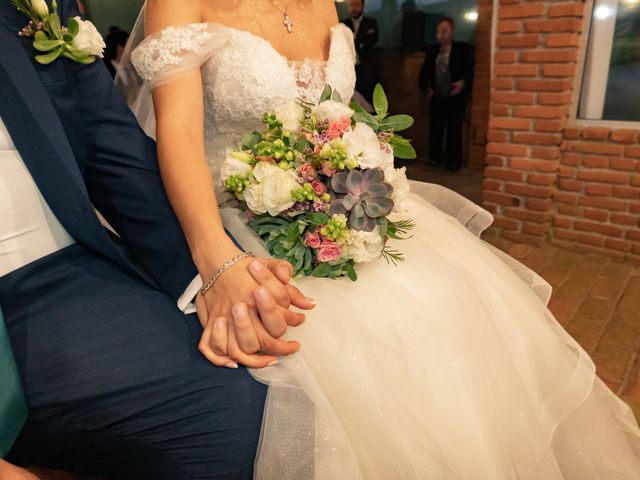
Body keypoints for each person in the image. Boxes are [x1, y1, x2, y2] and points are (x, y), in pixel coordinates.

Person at [123, 0, 640, 478]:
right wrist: (215, 260)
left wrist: (356, 170)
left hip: (343, 207)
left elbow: (334, 114)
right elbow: (180, 133)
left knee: (455, 320)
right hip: (237, 216)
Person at [0, 1, 313, 478]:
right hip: (14, 307)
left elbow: (109, 141)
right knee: (237, 428)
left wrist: (215, 269)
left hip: (78, 262)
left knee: (284, 386)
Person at [419, 17, 473, 172]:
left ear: (452, 31)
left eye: (445, 30)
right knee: (436, 128)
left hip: (455, 97)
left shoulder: (461, 50)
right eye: (438, 31)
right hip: (437, 97)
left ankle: (453, 162)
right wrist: (426, 88)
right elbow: (424, 73)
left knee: (454, 129)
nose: (441, 34)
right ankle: (436, 158)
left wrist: (462, 83)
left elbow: (468, 71)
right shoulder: (432, 51)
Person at [342, 0, 379, 103]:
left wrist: (355, 42)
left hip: (367, 69)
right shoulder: (344, 24)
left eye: (357, 4)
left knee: (369, 99)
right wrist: (360, 42)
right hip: (349, 69)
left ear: (363, 6)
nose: (354, 7)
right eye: (351, 5)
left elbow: (372, 39)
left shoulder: (371, 22)